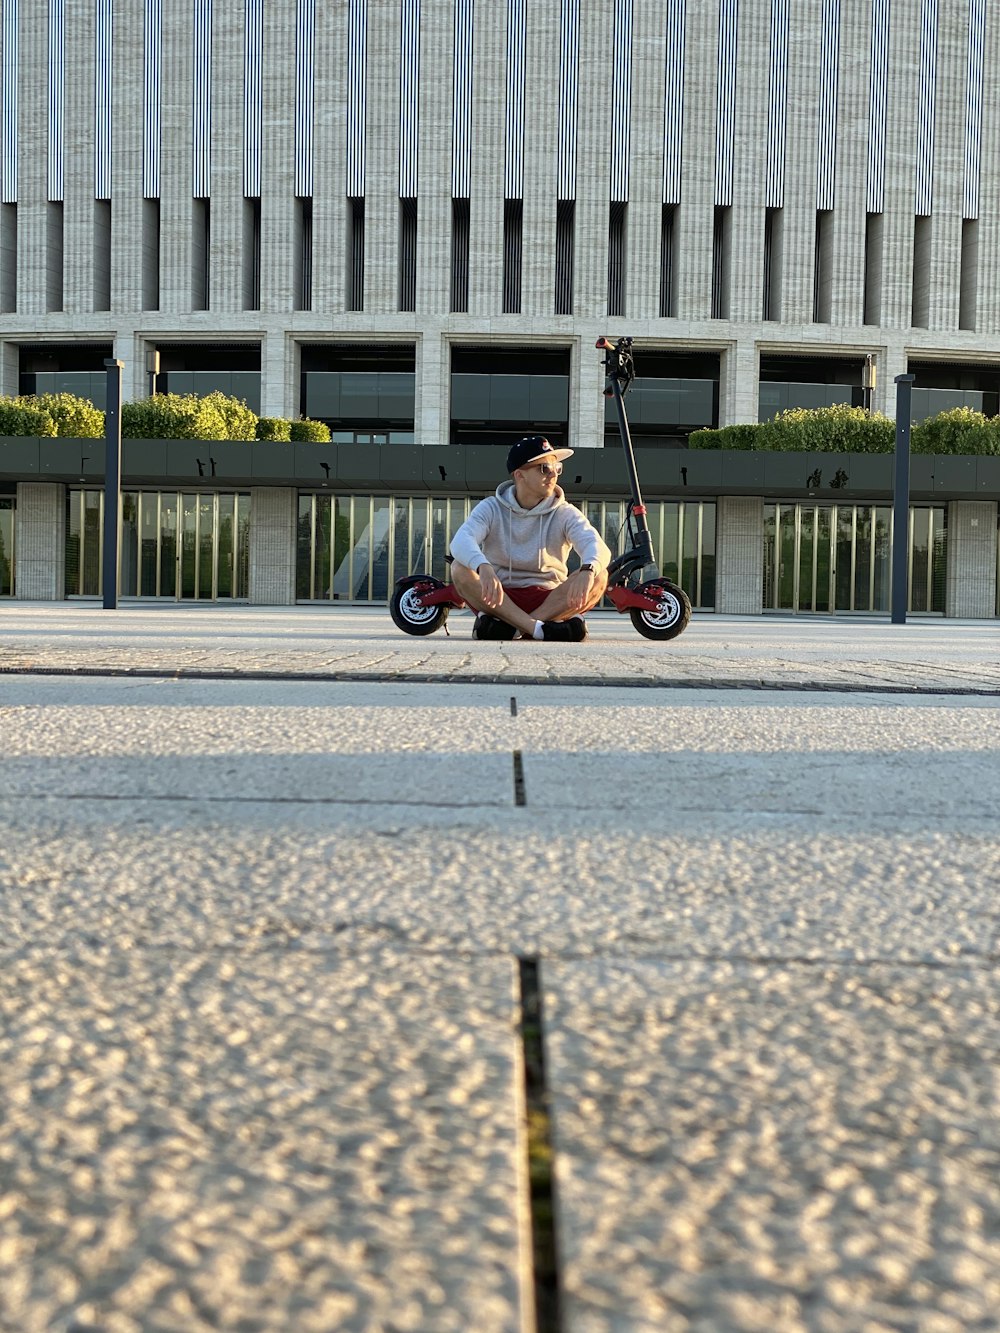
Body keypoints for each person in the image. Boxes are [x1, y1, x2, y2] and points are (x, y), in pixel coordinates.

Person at [449, 435, 611, 641]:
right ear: (519, 475)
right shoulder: (491, 507)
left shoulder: (565, 512)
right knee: (459, 567)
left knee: (599, 574)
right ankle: (542, 629)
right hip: (501, 597)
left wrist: (589, 569)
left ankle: (518, 628)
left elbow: (596, 545)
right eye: (544, 468)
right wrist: (483, 566)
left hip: (550, 599)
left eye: (557, 468)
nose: (553, 474)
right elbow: (461, 540)